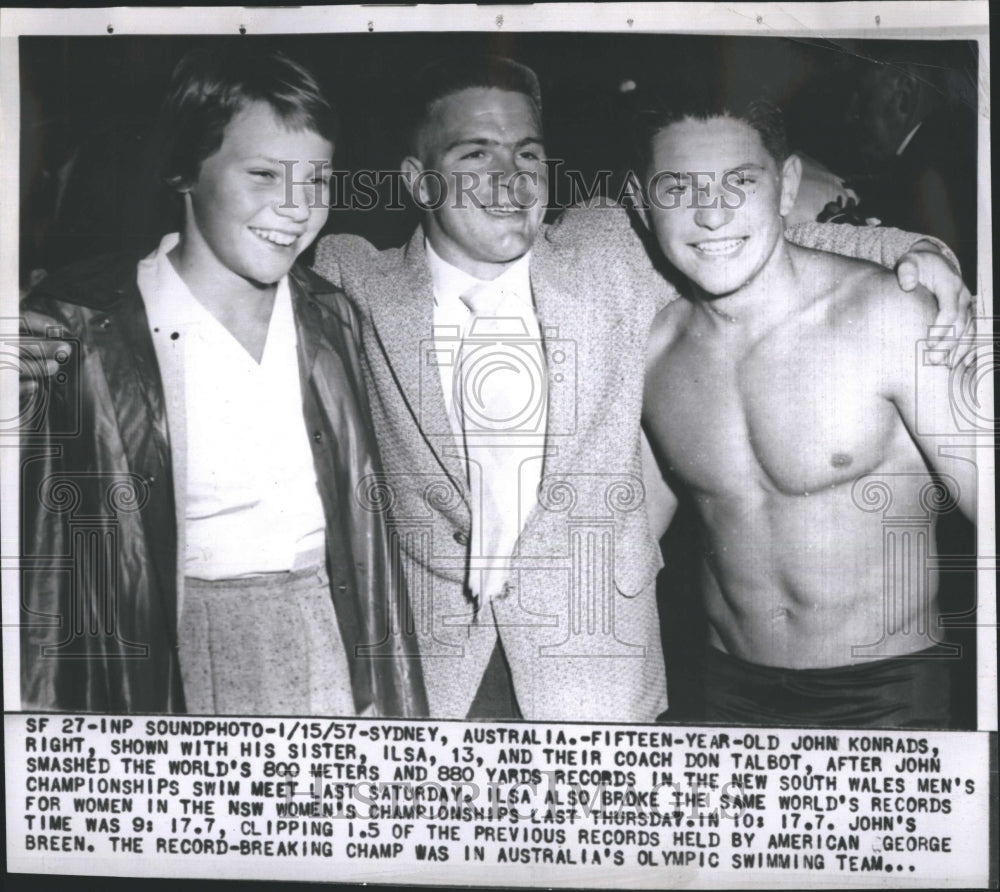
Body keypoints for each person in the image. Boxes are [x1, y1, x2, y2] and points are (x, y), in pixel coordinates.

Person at [311, 54, 972, 722]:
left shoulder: (609, 256)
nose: (509, 180)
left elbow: (760, 236)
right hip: (432, 684)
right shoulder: (351, 282)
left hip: (602, 681)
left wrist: (915, 255)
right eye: (476, 155)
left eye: (529, 154)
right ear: (419, 183)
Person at [19, 46, 427, 717]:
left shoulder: (331, 320)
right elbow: (44, 569)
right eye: (264, 174)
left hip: (321, 638)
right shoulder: (86, 331)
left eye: (317, 180)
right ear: (185, 170)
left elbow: (367, 544)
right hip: (168, 653)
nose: (296, 208)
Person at [636, 92, 978, 727]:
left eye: (740, 181)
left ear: (786, 185)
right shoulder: (657, 351)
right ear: (641, 199)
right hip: (723, 690)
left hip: (886, 693)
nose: (711, 214)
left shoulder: (888, 316)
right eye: (678, 188)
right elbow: (633, 533)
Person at [843, 49, 978, 289]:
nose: (850, 117)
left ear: (904, 94)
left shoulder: (928, 172)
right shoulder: (956, 140)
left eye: (863, 99)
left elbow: (940, 279)